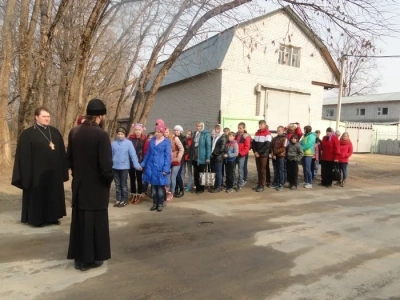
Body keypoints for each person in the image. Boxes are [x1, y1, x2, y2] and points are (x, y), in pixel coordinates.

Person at [67, 98, 113, 271]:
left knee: (80, 223)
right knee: (93, 224)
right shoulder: (101, 135)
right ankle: (89, 259)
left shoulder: (74, 132)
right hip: (96, 188)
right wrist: (107, 182)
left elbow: (69, 159)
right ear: (100, 116)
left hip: (79, 186)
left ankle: (79, 257)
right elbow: (106, 166)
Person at [12, 107, 69, 227]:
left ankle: (53, 217)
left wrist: (63, 169)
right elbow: (23, 156)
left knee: (53, 194)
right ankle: (37, 220)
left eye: (48, 116)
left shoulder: (54, 132)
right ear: (36, 117)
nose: (47, 119)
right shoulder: (28, 134)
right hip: (36, 173)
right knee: (38, 196)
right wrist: (26, 174)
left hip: (53, 173)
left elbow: (61, 153)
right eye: (44, 116)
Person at [141, 124, 171, 212]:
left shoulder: (166, 142)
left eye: (159, 132)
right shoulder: (152, 141)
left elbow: (167, 157)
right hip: (151, 167)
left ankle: (160, 204)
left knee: (160, 188)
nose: (157, 133)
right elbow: (148, 154)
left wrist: (166, 168)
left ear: (162, 133)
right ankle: (154, 203)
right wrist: (143, 163)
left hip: (161, 167)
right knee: (153, 188)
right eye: (156, 132)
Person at [112, 127, 142, 208]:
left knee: (123, 184)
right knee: (117, 184)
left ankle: (124, 200)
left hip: (124, 167)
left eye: (122, 134)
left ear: (124, 135)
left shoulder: (128, 143)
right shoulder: (113, 143)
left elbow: (133, 155)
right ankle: (118, 199)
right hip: (115, 167)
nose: (120, 136)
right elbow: (110, 155)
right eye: (118, 134)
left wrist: (137, 165)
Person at [127, 123, 148, 204]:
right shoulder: (130, 138)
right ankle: (132, 195)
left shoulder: (144, 139)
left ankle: (139, 195)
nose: (137, 131)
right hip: (131, 162)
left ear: (142, 130)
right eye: (136, 130)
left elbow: (146, 152)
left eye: (139, 130)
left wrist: (143, 163)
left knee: (139, 179)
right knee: (132, 179)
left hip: (140, 162)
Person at [190, 121, 211, 195]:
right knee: (196, 173)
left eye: (199, 126)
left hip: (202, 157)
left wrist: (208, 157)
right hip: (195, 157)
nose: (198, 127)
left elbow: (208, 146)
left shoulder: (206, 134)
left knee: (201, 174)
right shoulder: (195, 133)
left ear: (202, 127)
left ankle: (201, 189)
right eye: (197, 126)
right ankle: (197, 187)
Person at [252, 120, 272, 192]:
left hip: (263, 155)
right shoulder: (257, 133)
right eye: (259, 124)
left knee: (262, 170)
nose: (260, 125)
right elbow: (253, 143)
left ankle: (262, 185)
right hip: (257, 154)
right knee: (258, 169)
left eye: (261, 124)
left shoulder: (268, 134)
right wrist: (255, 151)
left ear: (264, 125)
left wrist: (259, 152)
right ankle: (259, 183)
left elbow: (267, 145)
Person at [165, 127, 184, 201]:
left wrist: (178, 158)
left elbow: (181, 149)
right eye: (164, 132)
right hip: (167, 161)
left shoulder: (175, 138)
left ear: (169, 132)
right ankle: (167, 191)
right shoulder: (163, 139)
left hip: (175, 161)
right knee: (167, 178)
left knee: (173, 177)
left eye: (167, 132)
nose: (165, 134)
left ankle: (171, 192)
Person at [210, 124, 227, 193]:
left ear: (221, 129)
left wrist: (214, 153)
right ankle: (216, 185)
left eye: (218, 129)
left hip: (218, 157)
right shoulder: (215, 136)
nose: (217, 130)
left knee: (218, 172)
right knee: (215, 172)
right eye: (216, 128)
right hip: (213, 157)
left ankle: (218, 186)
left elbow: (222, 148)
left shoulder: (223, 137)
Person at [235, 122, 251, 191]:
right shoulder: (236, 135)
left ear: (244, 128)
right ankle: (236, 181)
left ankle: (241, 181)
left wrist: (241, 153)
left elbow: (247, 147)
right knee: (234, 169)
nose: (239, 129)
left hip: (241, 155)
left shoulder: (246, 136)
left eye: (240, 128)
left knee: (240, 169)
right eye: (238, 128)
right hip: (235, 155)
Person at [271, 126, 287, 191]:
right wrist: (272, 153)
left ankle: (281, 184)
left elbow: (283, 148)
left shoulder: (285, 139)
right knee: (275, 170)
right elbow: (271, 146)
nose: (278, 131)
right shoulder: (274, 138)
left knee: (281, 170)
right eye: (277, 130)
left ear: (283, 131)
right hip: (274, 156)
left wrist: (275, 153)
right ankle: (275, 182)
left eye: (279, 130)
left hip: (281, 156)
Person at [173, 125, 188, 198]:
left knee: (178, 175)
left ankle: (181, 189)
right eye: (175, 130)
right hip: (173, 159)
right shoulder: (173, 138)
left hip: (180, 159)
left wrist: (180, 155)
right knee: (174, 175)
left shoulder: (184, 138)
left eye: (177, 130)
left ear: (180, 131)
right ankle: (175, 189)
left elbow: (186, 149)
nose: (176, 132)